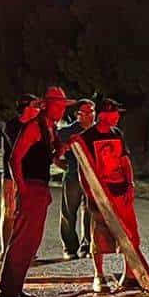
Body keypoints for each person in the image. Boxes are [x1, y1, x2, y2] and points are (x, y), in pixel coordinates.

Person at [0, 86, 71, 297]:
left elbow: (54, 157)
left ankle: (15, 287)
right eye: (58, 105)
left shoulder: (50, 128)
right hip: (31, 187)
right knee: (21, 241)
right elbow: (14, 159)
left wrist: (62, 150)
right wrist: (23, 188)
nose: (61, 110)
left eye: (63, 106)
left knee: (31, 242)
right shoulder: (34, 127)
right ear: (48, 105)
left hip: (40, 187)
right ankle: (6, 293)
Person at [70, 98, 140, 293]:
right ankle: (98, 275)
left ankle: (130, 274)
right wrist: (91, 196)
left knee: (130, 234)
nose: (117, 117)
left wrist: (130, 184)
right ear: (103, 115)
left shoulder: (117, 134)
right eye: (114, 113)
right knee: (99, 236)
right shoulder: (87, 138)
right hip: (101, 194)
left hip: (121, 191)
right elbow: (83, 170)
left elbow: (125, 161)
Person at [0, 95, 41, 263]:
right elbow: (17, 150)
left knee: (28, 215)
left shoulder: (37, 125)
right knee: (9, 212)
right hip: (11, 176)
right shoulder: (12, 126)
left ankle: (26, 250)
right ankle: (6, 249)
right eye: (35, 105)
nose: (38, 108)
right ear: (26, 107)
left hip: (31, 176)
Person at [57, 98, 96, 259]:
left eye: (92, 112)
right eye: (85, 113)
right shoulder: (66, 132)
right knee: (69, 212)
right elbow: (55, 153)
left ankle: (87, 245)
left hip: (92, 178)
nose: (89, 116)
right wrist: (64, 166)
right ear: (77, 115)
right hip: (73, 176)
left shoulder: (97, 132)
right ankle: (69, 247)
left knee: (90, 212)